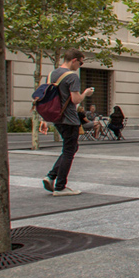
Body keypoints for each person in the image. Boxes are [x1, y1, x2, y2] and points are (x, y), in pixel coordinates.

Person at [42, 49, 94, 197]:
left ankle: (51, 176)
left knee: (70, 148)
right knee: (69, 151)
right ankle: (60, 186)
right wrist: (86, 93)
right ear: (74, 60)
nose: (80, 65)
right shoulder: (72, 77)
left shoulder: (52, 74)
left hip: (56, 117)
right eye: (80, 62)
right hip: (69, 119)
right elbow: (76, 100)